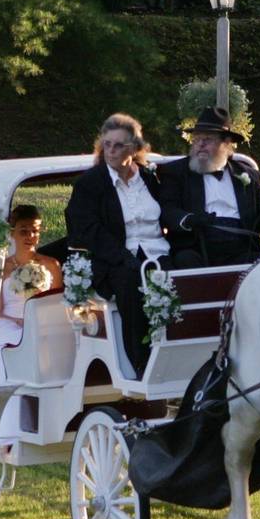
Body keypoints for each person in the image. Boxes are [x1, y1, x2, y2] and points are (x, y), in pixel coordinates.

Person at [64, 112, 171, 372]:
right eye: (107, 144)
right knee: (131, 281)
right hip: (114, 260)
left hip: (159, 251)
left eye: (118, 145)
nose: (111, 151)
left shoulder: (149, 178)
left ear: (134, 148)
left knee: (187, 274)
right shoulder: (90, 183)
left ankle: (181, 354)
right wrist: (124, 258)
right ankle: (142, 363)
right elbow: (87, 230)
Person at [158, 106, 260, 267]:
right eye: (197, 139)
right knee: (186, 260)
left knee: (259, 266)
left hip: (241, 246)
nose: (200, 144)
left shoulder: (247, 175)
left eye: (208, 139)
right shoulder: (176, 172)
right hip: (198, 242)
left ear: (226, 144)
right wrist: (189, 219)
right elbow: (167, 209)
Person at [0, 203, 62, 348]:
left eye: (35, 231)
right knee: (21, 339)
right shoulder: (0, 269)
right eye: (23, 231)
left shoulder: (51, 265)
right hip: (9, 323)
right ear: (12, 233)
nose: (30, 236)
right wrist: (21, 322)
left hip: (43, 323)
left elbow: (57, 305)